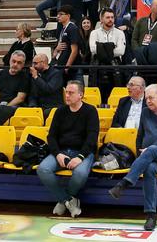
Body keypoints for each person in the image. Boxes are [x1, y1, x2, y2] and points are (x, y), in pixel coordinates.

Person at [108, 84, 157, 230]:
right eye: (146, 98)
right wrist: (141, 156)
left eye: (151, 97)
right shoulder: (145, 112)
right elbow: (140, 137)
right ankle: (151, 215)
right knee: (148, 169)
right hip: (152, 158)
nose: (148, 101)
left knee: (153, 150)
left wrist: (150, 150)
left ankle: (124, 184)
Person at [37, 80, 99, 218]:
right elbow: (51, 136)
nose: (67, 95)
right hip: (62, 151)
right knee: (43, 169)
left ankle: (64, 200)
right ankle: (68, 200)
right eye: (66, 92)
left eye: (71, 93)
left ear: (80, 95)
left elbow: (92, 138)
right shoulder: (60, 111)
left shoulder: (90, 111)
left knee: (80, 174)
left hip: (83, 152)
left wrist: (80, 157)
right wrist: (57, 154)